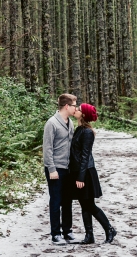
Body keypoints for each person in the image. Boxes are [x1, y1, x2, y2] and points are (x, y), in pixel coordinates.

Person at [69, 103, 117, 244]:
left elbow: (85, 156)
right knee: (84, 204)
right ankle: (89, 235)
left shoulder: (87, 132)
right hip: (79, 171)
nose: (76, 109)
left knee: (89, 205)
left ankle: (109, 229)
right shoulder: (79, 129)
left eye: (79, 109)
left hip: (85, 173)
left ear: (83, 114)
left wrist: (81, 177)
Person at [42, 93, 78, 245]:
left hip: (68, 168)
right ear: (66, 106)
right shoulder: (52, 123)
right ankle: (55, 234)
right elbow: (47, 148)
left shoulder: (70, 122)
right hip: (55, 168)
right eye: (74, 105)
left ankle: (67, 231)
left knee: (68, 201)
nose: (76, 108)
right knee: (56, 201)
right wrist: (52, 169)